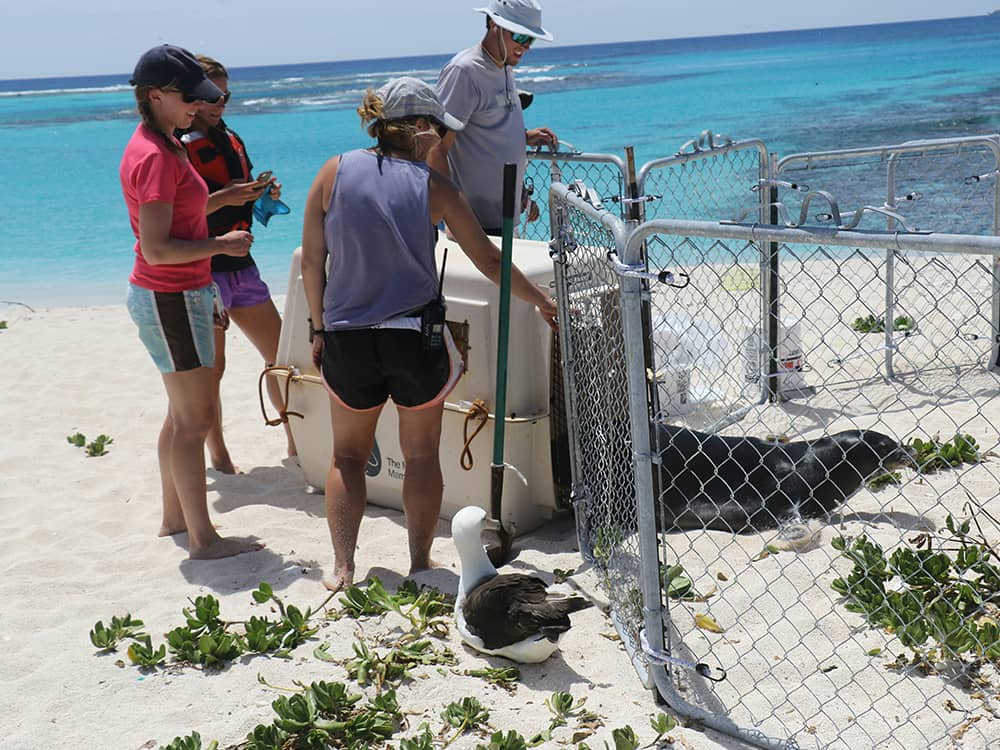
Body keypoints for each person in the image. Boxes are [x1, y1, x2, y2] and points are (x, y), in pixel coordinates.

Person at [300, 77, 557, 591]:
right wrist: (543, 301)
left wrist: (319, 326)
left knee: (347, 457)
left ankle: (344, 568)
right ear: (419, 128)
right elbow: (487, 260)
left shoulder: (332, 171)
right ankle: (419, 562)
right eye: (440, 129)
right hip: (413, 339)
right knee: (420, 456)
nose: (445, 138)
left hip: (348, 338)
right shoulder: (435, 188)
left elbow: (312, 260)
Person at [119, 44, 263, 559]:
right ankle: (203, 539)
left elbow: (185, 208)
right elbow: (157, 248)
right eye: (189, 98)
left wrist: (226, 200)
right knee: (194, 420)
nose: (197, 107)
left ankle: (174, 519)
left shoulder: (164, 142)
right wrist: (219, 247)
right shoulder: (156, 155)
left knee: (181, 416)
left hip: (180, 293)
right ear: (155, 96)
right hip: (170, 296)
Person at [179, 54, 296, 474]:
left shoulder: (230, 137)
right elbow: (176, 215)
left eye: (225, 94)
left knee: (282, 356)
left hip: (242, 267)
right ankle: (220, 454)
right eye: (212, 95)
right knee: (214, 370)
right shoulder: (177, 147)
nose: (221, 103)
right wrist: (227, 197)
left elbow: (234, 194)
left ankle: (296, 439)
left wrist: (260, 193)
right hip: (204, 271)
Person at [428, 0, 557, 235]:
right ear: (493, 23)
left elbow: (483, 124)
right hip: (474, 224)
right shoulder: (464, 71)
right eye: (520, 36)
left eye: (531, 39)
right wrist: (454, 215)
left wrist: (524, 137)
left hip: (505, 216)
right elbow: (435, 147)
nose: (525, 46)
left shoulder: (505, 67)